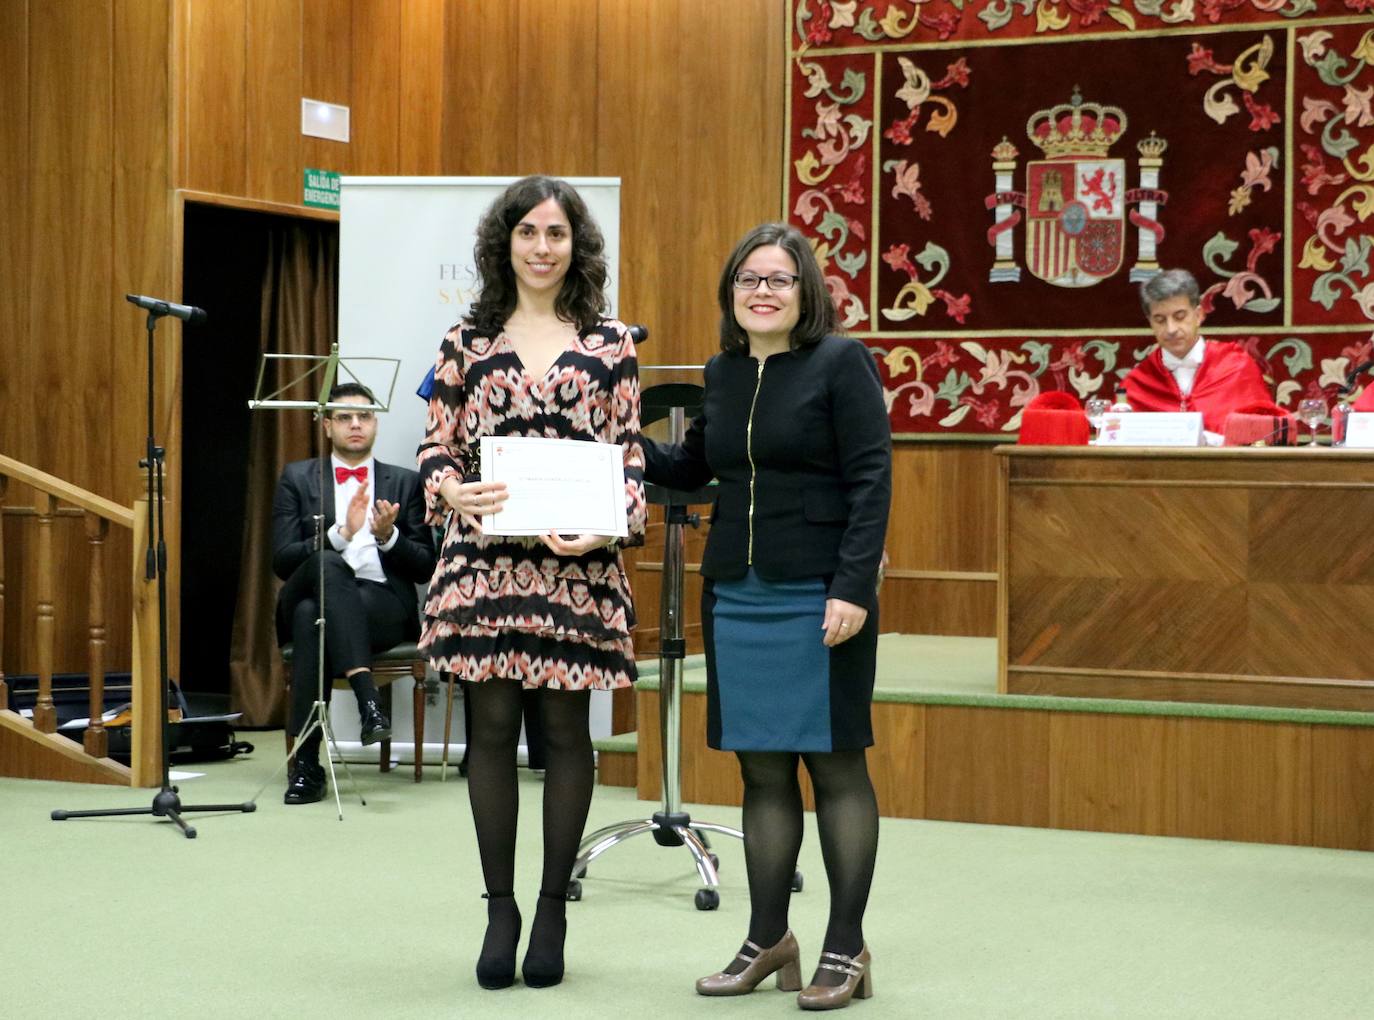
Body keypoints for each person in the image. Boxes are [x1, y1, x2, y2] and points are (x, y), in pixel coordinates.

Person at [641, 223, 892, 1010]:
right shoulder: (721, 371)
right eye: (748, 279)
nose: (762, 291)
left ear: (805, 291)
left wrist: (851, 586)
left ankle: (846, 949)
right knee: (761, 769)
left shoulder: (840, 363)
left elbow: (871, 478)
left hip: (819, 592)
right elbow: (693, 469)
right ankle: (768, 938)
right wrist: (622, 437)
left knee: (836, 766)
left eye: (778, 279)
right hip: (738, 594)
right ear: (731, 294)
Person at [416, 175, 646, 990]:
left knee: (564, 739)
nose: (543, 248)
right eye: (528, 233)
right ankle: (500, 908)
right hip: (485, 565)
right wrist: (448, 488)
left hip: (577, 572)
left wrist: (612, 518)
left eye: (557, 234)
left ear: (575, 245)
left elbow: (630, 457)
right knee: (489, 735)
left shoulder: (613, 342)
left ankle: (552, 908)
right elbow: (435, 449)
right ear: (504, 243)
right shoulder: (464, 342)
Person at [272, 382, 436, 804]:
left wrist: (389, 536)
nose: (356, 424)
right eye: (345, 417)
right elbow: (282, 559)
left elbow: (426, 566)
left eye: (364, 416)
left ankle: (307, 769)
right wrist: (340, 534)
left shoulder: (404, 482)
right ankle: (369, 703)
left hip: (379, 603)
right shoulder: (297, 476)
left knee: (313, 618)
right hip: (311, 583)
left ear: (375, 422)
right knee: (327, 564)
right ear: (327, 426)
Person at [1122, 268, 1271, 438]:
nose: (1171, 329)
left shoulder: (1236, 367)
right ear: (1150, 323)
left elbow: (1265, 435)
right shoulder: (1136, 384)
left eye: (1179, 317)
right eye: (1160, 320)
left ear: (1199, 315)